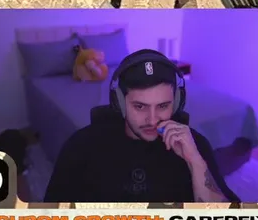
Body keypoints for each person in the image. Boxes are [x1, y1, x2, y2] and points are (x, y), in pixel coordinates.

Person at [44, 49, 238, 204]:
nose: (152, 120)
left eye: (163, 106)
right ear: (120, 103)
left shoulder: (194, 144)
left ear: (177, 102)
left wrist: (195, 161)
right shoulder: (81, 146)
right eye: (140, 106)